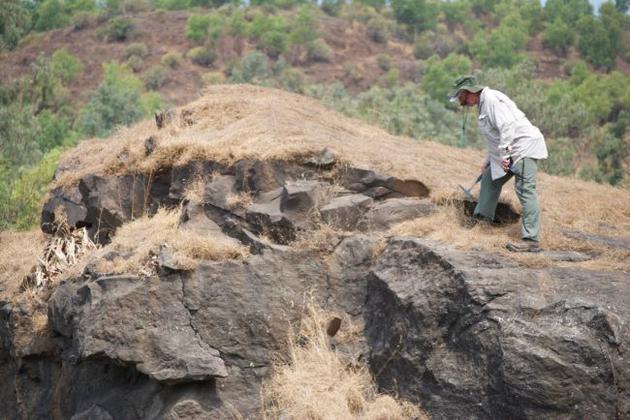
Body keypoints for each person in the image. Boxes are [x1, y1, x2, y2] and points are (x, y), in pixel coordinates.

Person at [449, 75, 548, 252]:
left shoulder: (493, 100)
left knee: (525, 191)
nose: (459, 100)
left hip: (522, 150)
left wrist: (505, 156)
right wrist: (489, 161)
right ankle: (483, 223)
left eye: (460, 96)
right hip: (509, 152)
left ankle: (531, 240)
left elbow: (507, 127)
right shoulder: (482, 104)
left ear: (470, 92)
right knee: (489, 180)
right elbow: (494, 136)